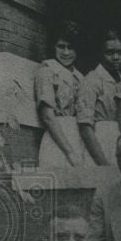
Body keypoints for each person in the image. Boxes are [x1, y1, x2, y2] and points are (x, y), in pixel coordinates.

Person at [34, 19, 88, 168]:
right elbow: (47, 116)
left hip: (79, 137)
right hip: (58, 139)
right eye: (61, 46)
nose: (66, 52)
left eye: (71, 47)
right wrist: (69, 152)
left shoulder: (80, 77)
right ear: (54, 46)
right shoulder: (47, 71)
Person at [76, 28, 121, 165]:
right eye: (110, 53)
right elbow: (85, 127)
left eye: (120, 52)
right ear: (101, 53)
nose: (115, 57)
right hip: (102, 142)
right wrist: (103, 163)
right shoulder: (91, 80)